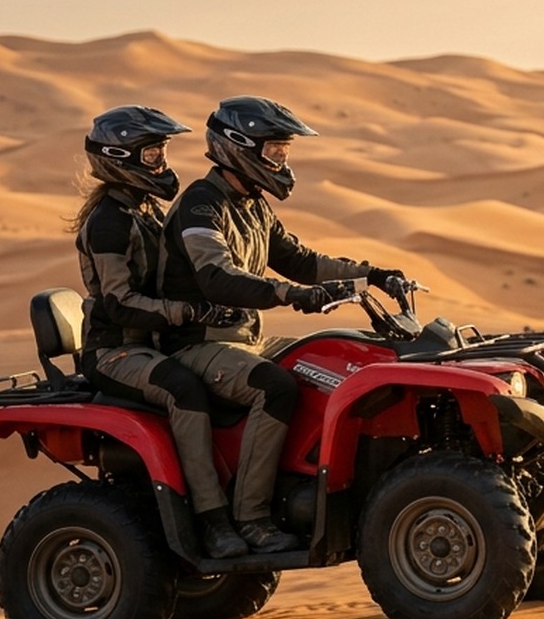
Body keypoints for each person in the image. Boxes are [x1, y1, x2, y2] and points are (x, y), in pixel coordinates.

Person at [160, 95, 407, 555]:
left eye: (284, 152)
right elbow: (216, 277)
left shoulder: (252, 204)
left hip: (244, 339)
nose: (282, 161)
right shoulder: (201, 204)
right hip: (195, 343)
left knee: (332, 361)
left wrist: (372, 275)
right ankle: (251, 517)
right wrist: (290, 296)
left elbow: (301, 260)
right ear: (239, 147)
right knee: (275, 386)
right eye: (275, 151)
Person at [71, 105, 254, 559]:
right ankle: (212, 520)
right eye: (152, 155)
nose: (161, 163)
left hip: (150, 345)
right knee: (184, 389)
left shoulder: (147, 209)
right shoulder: (109, 221)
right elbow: (119, 302)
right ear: (119, 157)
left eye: (161, 153)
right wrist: (191, 312)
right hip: (115, 350)